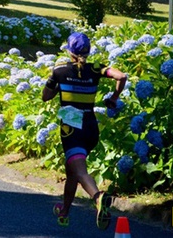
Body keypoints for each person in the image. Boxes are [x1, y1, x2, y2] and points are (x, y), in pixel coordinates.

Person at [41, 32, 127, 230]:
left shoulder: (59, 71)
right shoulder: (95, 68)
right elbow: (121, 76)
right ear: (87, 51)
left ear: (69, 51)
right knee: (72, 170)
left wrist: (57, 85)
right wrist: (114, 98)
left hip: (72, 127)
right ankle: (65, 212)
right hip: (90, 126)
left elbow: (46, 96)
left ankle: (98, 198)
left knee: (79, 171)